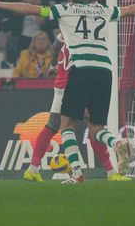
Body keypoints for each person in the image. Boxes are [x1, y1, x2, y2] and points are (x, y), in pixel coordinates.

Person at [0, 0, 135, 183]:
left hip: (80, 70)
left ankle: (76, 173)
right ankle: (116, 142)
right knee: (97, 128)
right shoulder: (102, 10)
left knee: (66, 125)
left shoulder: (64, 10)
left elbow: (30, 9)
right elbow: (130, 9)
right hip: (105, 71)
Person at [22, 34, 127, 182]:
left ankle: (37, 169)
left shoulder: (67, 30)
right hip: (81, 83)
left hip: (65, 85)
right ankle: (110, 169)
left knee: (55, 126)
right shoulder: (88, 37)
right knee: (93, 128)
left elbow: (54, 47)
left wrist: (53, 66)